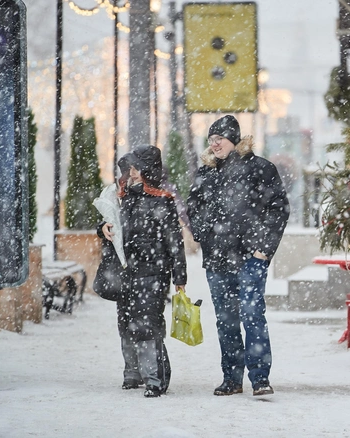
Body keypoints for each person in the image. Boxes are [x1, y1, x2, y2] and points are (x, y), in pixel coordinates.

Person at [187, 115, 290, 396]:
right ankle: (232, 379)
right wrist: (203, 234)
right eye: (211, 140)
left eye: (219, 138)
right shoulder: (205, 173)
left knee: (253, 316)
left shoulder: (260, 169)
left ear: (234, 139)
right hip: (217, 259)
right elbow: (192, 208)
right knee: (226, 320)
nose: (214, 144)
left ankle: (259, 379)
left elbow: (279, 209)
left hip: (250, 258)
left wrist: (263, 250)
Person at [99, 145, 187, 398]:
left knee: (147, 324)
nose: (132, 173)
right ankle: (132, 372)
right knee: (126, 322)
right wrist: (102, 228)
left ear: (148, 171)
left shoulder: (163, 201)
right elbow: (110, 226)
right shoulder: (121, 198)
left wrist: (179, 276)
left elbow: (174, 242)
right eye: (130, 168)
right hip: (125, 271)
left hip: (153, 273)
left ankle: (155, 378)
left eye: (136, 168)